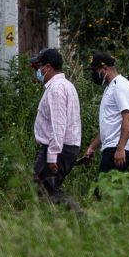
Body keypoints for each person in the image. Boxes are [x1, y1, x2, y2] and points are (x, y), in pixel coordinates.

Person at [30, 48, 82, 209]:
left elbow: (58, 124)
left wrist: (52, 155)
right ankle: (58, 224)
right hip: (64, 147)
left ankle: (79, 218)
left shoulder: (56, 89)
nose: (38, 72)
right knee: (45, 189)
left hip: (57, 148)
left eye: (39, 67)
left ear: (48, 67)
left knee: (44, 188)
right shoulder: (66, 86)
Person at [83, 52, 129, 172]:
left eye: (95, 70)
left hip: (116, 148)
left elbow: (128, 117)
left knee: (103, 189)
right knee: (109, 189)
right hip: (111, 147)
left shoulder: (120, 85)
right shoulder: (110, 88)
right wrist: (92, 147)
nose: (94, 74)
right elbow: (108, 125)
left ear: (105, 68)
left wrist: (120, 149)